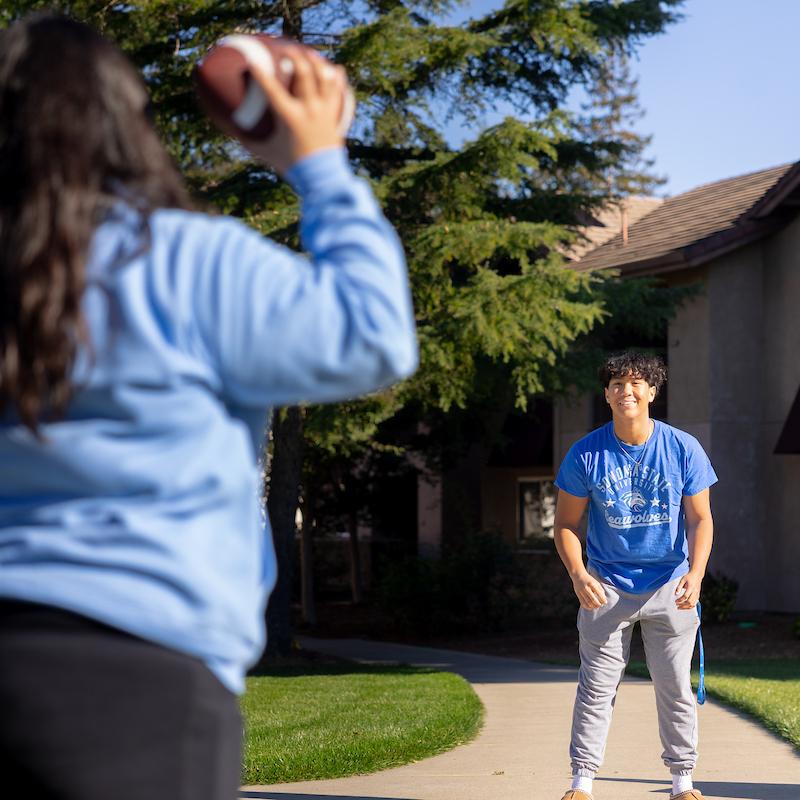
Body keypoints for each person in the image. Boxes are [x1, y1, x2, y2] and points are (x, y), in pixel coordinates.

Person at [0, 13, 417, 800]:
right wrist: (321, 167)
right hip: (140, 673)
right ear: (125, 126)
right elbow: (374, 337)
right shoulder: (183, 259)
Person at [553, 352, 716, 800]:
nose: (627, 391)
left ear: (652, 392)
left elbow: (701, 519)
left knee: (674, 687)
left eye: (637, 383)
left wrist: (697, 573)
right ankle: (581, 782)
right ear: (606, 395)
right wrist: (577, 573)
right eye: (617, 384)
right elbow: (566, 525)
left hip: (672, 586)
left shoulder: (683, 448)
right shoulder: (586, 453)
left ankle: (683, 782)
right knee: (596, 688)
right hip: (605, 587)